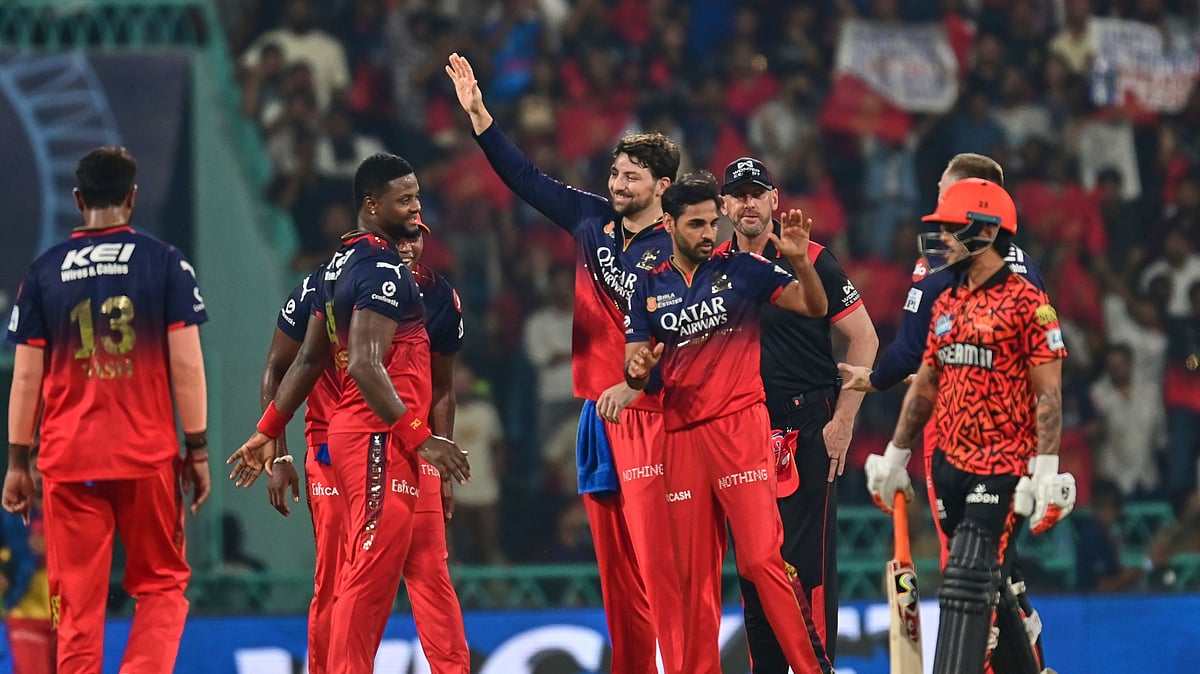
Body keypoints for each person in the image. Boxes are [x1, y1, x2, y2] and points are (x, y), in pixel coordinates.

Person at [446, 53, 683, 673]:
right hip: (593, 414)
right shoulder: (589, 219)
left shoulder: (680, 249)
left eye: (633, 177)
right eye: (616, 171)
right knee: (615, 572)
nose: (618, 184)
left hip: (649, 415)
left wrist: (643, 385)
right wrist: (480, 119)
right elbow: (524, 177)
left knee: (659, 565)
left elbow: (692, 337)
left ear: (662, 187)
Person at [228, 153, 470, 673]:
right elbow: (291, 366)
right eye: (403, 207)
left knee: (426, 570)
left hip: (395, 438)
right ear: (372, 208)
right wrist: (278, 451)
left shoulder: (435, 297)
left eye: (417, 227)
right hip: (350, 439)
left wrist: (432, 447)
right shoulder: (348, 274)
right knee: (347, 574)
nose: (409, 241)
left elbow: (440, 386)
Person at [3, 146, 211, 672]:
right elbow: (187, 365)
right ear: (132, 198)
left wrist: (16, 461)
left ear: (78, 200)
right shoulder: (164, 263)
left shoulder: (44, 272)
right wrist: (198, 448)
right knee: (162, 583)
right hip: (146, 457)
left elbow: (26, 375)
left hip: (69, 462)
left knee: (75, 605)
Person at [838, 153, 1049, 667]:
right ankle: (1029, 659)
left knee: (966, 563)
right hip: (1015, 434)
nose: (938, 204)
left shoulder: (940, 265)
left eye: (947, 194)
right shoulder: (1023, 265)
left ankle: (981, 656)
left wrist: (876, 381)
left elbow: (912, 355)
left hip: (959, 434)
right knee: (999, 564)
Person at [624, 172, 832, 674]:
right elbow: (638, 372)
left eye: (711, 223)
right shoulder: (648, 287)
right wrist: (640, 372)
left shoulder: (744, 270)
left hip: (740, 429)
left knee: (761, 559)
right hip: (680, 441)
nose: (707, 234)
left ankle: (810, 668)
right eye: (695, 224)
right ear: (669, 223)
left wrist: (802, 263)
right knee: (693, 578)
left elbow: (815, 307)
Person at [716, 157, 879, 670]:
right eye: (737, 195)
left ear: (773, 202)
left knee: (806, 562)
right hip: (743, 427)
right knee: (753, 560)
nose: (747, 203)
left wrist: (844, 420)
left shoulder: (811, 258)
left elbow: (865, 338)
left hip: (808, 422)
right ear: (724, 206)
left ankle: (816, 665)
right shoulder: (713, 264)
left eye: (755, 193)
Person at [2, 448, 55, 674]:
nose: (41, 475)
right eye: (35, 469)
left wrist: (53, 548)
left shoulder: (76, 513)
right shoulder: (9, 515)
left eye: (46, 469)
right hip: (25, 613)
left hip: (67, 614)